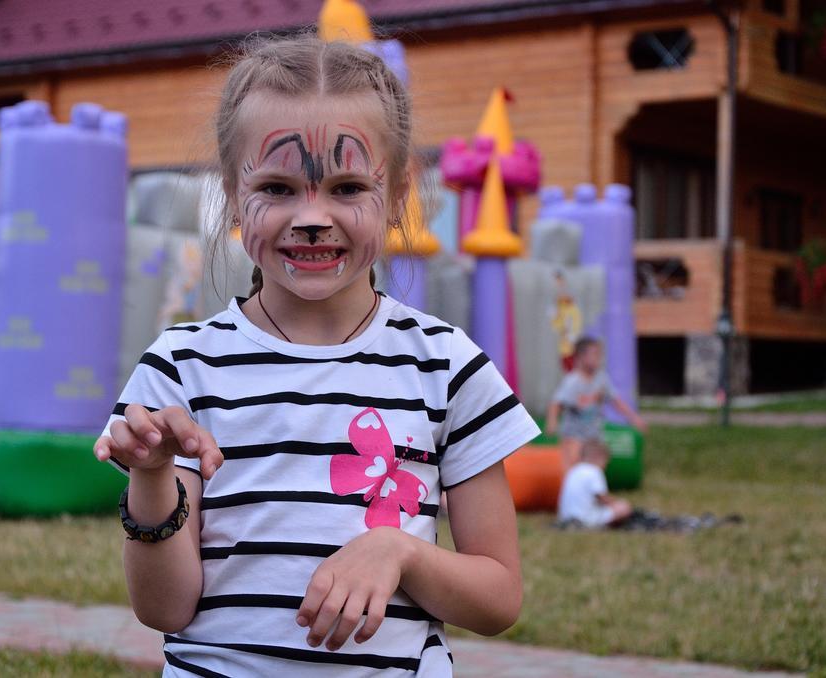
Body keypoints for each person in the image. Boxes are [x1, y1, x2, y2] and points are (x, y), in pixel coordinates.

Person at [93, 36, 541, 677]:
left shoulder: (446, 367)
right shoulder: (181, 370)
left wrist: (400, 553)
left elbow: (498, 599)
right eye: (277, 187)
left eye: (348, 185)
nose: (311, 217)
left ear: (395, 193)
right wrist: (153, 476)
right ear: (230, 192)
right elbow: (164, 610)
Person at [545, 335, 645, 469]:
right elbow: (556, 404)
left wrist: (634, 418)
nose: (599, 359)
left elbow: (616, 401)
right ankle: (571, 487)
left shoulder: (601, 379)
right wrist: (552, 422)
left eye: (600, 355)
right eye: (595, 355)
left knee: (599, 461)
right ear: (580, 357)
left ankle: (594, 486)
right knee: (573, 465)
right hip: (574, 435)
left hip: (594, 434)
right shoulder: (573, 382)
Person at [556, 438, 632, 528]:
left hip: (565, 517)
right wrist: (615, 502)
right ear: (599, 458)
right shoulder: (594, 471)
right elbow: (601, 497)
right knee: (624, 507)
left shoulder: (573, 470)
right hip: (584, 519)